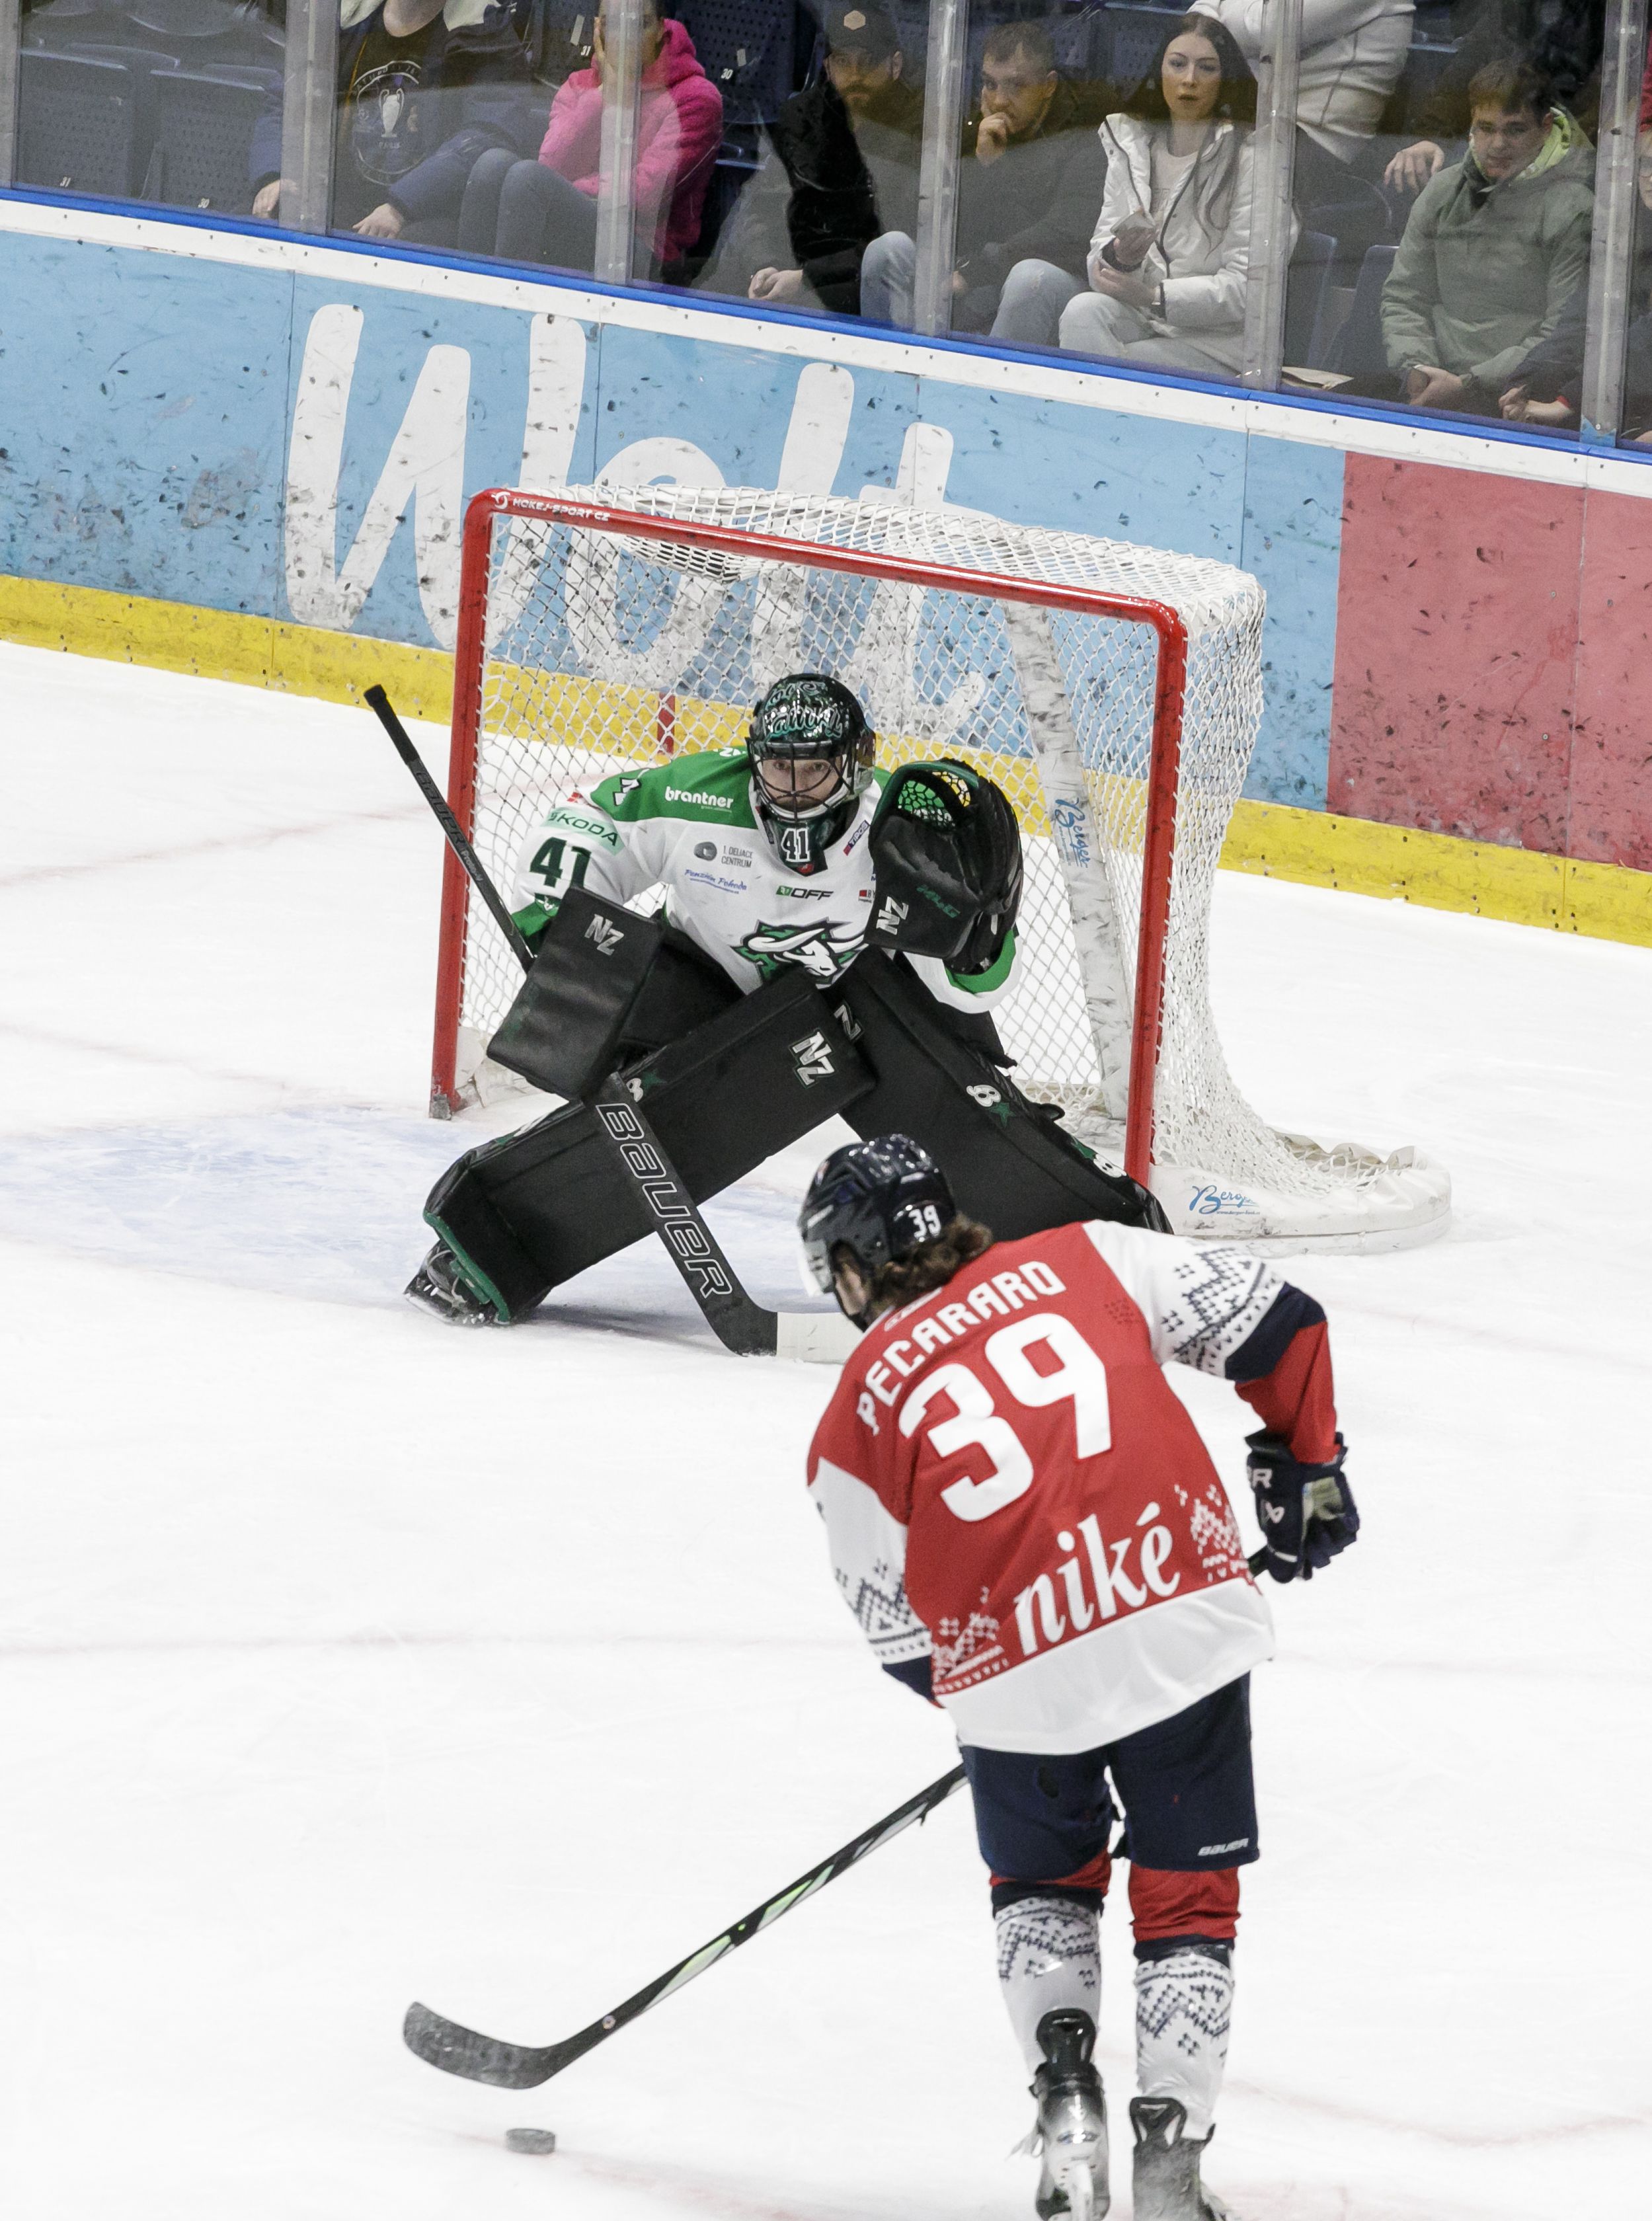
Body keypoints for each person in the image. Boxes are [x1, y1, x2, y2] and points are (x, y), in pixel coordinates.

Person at [799, 1134, 1357, 2221]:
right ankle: (1169, 2157)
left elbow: (893, 1628)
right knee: (1184, 1899)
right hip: (1178, 1622)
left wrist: (989, 1704)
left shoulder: (848, 1418)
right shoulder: (1091, 1255)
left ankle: (1064, 2091)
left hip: (1013, 1684)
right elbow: (1282, 1323)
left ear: (856, 1267)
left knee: (1041, 1889)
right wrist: (1306, 1465)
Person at [408, 677, 1164, 1328]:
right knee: (663, 1111)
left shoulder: (903, 829)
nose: (792, 788)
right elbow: (593, 814)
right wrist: (557, 914)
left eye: (815, 770)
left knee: (960, 1113)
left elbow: (978, 990)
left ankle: (1108, 1244)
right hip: (712, 1001)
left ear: (857, 764)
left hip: (862, 1009)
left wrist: (971, 947)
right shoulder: (694, 796)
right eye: (777, 767)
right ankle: (490, 1243)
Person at [858, 22, 1110, 346]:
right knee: (888, 249)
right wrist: (981, 165)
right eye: (990, 85)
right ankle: (888, 377)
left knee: (1028, 278)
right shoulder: (975, 129)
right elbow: (921, 216)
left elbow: (1061, 235)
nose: (1000, 100)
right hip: (973, 275)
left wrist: (974, 272)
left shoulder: (1086, 135)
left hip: (1042, 282)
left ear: (1049, 85)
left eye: (1016, 86)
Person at [1059, 15, 1273, 379]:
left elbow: (1249, 289)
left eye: (1206, 68)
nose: (1189, 80)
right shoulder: (1131, 145)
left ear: (1226, 80)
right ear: (1160, 72)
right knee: (1082, 312)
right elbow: (1100, 259)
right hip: (1146, 315)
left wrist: (1155, 296)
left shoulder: (1253, 157)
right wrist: (1121, 259)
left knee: (1126, 360)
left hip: (1219, 343)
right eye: (1177, 64)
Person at [1380, 58, 1593, 414]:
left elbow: (1561, 333)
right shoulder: (1443, 190)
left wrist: (1468, 385)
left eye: (1514, 130)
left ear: (1544, 128)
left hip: (1516, 394)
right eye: (1485, 128)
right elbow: (1404, 295)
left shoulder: (1576, 208)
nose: (1497, 144)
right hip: (1428, 381)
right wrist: (1416, 369)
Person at [455, 0, 722, 280]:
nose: (624, 37)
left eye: (638, 24)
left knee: (528, 179)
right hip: (570, 221)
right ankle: (468, 295)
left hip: (643, 250)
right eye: (612, 24)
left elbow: (646, 193)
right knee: (492, 164)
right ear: (598, 28)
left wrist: (569, 189)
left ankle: (506, 304)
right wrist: (606, 94)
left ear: (660, 28)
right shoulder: (579, 85)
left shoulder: (697, 98)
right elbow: (552, 164)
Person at [696, 1, 923, 316]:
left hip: (856, 299)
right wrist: (764, 266)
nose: (856, 75)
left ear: (895, 65)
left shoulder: (921, 131)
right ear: (828, 68)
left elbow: (892, 242)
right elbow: (758, 208)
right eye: (844, 61)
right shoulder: (803, 117)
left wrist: (806, 280)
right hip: (781, 281)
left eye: (868, 62)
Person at [248, 0, 530, 243]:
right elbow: (286, 101)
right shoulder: (342, 18)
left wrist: (401, 207)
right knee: (262, 219)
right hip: (331, 204)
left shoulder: (485, 32)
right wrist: (275, 175)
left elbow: (488, 135)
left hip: (424, 216)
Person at [1499, 127, 1652, 441]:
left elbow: (1645, 341)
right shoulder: (1630, 234)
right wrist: (1527, 382)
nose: (1651, 176)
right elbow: (1585, 320)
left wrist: (1567, 402)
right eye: (1647, 164)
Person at [1384, 0, 1604, 199]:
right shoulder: (1506, 12)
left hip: (1562, 168)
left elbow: (1601, 110)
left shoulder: (1607, 18)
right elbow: (1460, 78)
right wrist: (1430, 137)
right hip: (1491, 158)